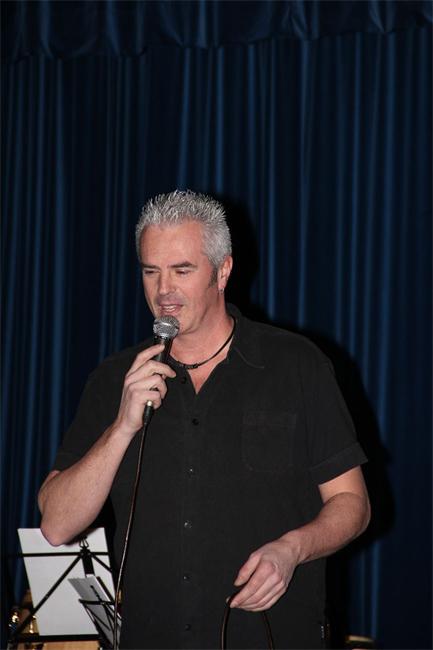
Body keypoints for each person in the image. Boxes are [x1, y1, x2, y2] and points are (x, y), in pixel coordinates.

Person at [38, 190, 370, 649]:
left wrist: (293, 549)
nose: (164, 291)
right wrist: (122, 427)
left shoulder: (296, 365)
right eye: (151, 271)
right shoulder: (115, 379)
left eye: (182, 270)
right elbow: (56, 525)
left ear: (223, 271)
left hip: (268, 637)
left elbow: (352, 504)